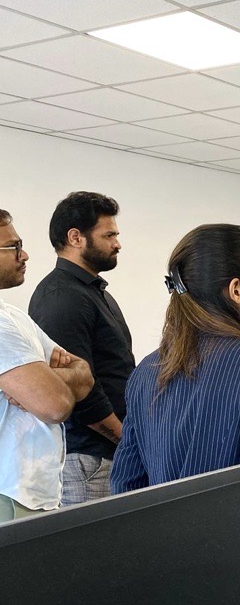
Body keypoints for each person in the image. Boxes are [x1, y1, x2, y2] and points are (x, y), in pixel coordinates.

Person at [110, 224, 240, 494]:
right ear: (236, 289)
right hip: (228, 533)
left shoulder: (145, 370)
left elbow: (125, 484)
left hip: (160, 534)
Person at [29, 191, 135, 505]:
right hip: (88, 459)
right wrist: (125, 439)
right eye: (109, 235)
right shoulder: (63, 297)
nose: (117, 243)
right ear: (76, 237)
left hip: (107, 454)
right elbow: (79, 390)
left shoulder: (91, 292)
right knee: (97, 552)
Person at [0, 208, 94, 522]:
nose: (23, 254)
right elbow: (54, 404)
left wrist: (48, 376)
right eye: (12, 247)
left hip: (31, 494)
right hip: (9, 494)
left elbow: (84, 375)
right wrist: (49, 383)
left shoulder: (13, 317)